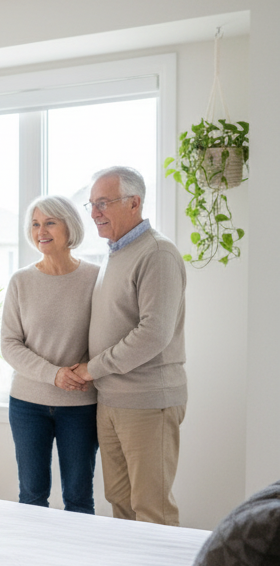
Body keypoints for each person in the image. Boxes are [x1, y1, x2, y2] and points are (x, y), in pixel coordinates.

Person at [70, 166, 187, 525]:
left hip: (147, 401)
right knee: (119, 503)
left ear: (134, 203)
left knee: (152, 507)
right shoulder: (114, 254)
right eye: (91, 204)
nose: (94, 214)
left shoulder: (158, 253)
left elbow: (154, 333)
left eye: (103, 203)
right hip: (111, 400)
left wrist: (92, 368)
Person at [0, 196, 100, 514]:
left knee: (79, 496)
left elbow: (107, 337)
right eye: (35, 224)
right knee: (32, 495)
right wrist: (53, 374)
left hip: (81, 405)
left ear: (69, 226)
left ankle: (79, 564)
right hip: (28, 405)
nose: (41, 231)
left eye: (50, 223)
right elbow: (10, 344)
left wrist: (86, 370)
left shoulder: (96, 279)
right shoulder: (21, 281)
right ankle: (31, 563)